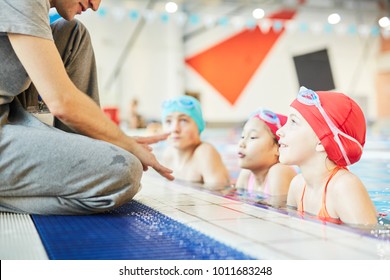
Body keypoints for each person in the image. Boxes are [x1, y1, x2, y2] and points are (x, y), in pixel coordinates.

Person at [0, 0, 173, 215]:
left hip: (9, 109)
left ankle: (88, 143)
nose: (95, 5)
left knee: (73, 33)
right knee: (124, 173)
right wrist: (127, 143)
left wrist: (108, 138)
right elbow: (61, 101)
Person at [277, 86, 377, 226]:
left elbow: (369, 243)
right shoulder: (297, 185)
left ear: (322, 141)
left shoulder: (344, 187)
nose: (279, 131)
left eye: (293, 122)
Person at [160, 95, 230, 189]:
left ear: (199, 126)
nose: (174, 129)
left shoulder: (205, 152)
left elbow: (219, 197)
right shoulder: (168, 154)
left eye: (183, 120)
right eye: (168, 121)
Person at [235, 108, 296, 197]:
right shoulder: (246, 175)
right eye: (242, 136)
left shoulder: (279, 171)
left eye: (253, 137)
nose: (242, 143)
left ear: (278, 148)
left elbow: (278, 210)